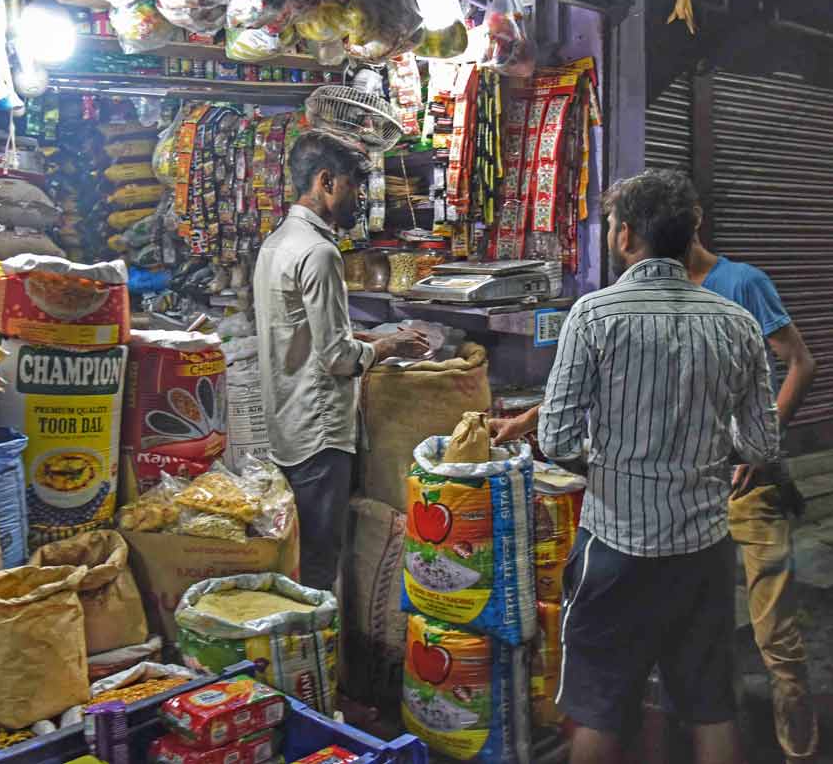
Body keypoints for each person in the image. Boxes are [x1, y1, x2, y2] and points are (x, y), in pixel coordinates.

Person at [492, 170, 780, 764]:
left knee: (600, 710)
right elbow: (759, 444)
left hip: (616, 548)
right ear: (687, 235)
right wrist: (699, 446)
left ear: (625, 237)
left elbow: (559, 434)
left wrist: (611, 468)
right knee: (710, 708)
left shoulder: (594, 316)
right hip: (703, 549)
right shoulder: (737, 323)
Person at [639, 210, 818, 764]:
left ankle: (800, 744)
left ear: (691, 224)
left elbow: (801, 363)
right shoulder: (656, 291)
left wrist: (761, 447)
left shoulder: (743, 282)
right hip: (688, 488)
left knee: (774, 629)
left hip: (749, 485)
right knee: (696, 625)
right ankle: (711, 731)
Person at [253, 130, 428, 591]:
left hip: (285, 423)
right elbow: (336, 359)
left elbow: (298, 331)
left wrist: (359, 337)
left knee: (296, 551)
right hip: (321, 431)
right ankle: (319, 655)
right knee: (319, 563)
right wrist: (386, 347)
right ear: (326, 181)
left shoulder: (276, 243)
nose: (359, 199)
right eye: (353, 185)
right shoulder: (320, 252)